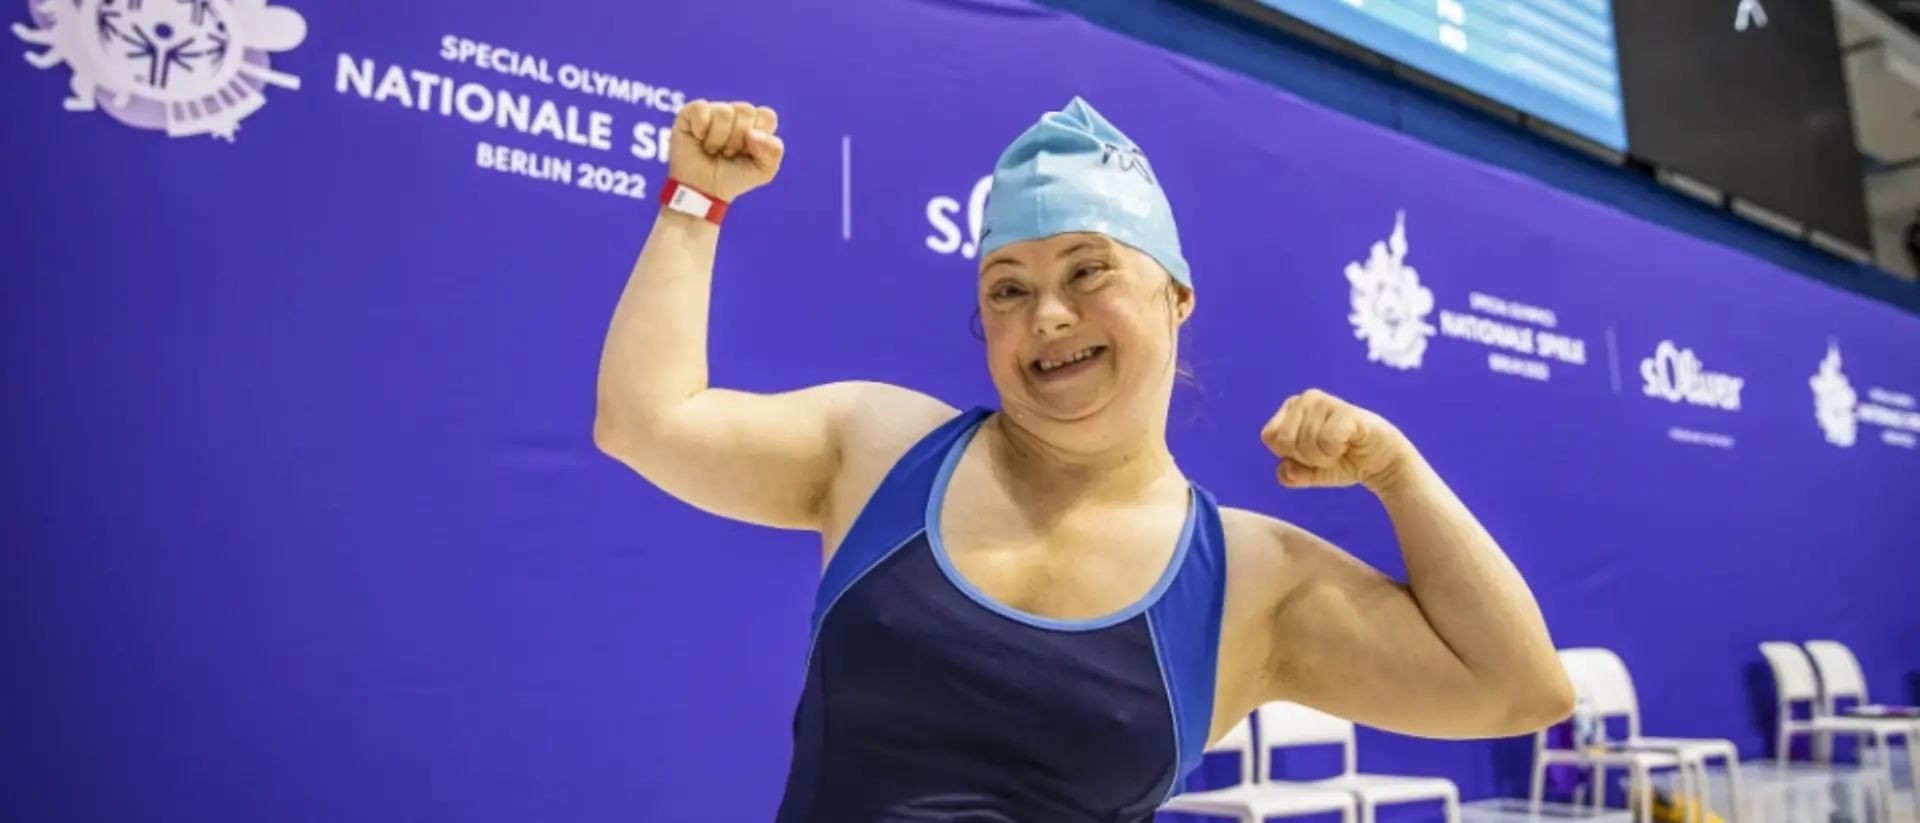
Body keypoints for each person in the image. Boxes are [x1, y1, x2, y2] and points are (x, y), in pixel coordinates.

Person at [595, 96, 1575, 823]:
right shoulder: (880, 450)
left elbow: (1518, 688)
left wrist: (1398, 474)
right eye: (1007, 288)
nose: (1047, 316)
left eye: (1088, 270)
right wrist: (694, 201)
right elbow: (645, 420)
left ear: (1175, 294)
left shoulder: (1242, 582)